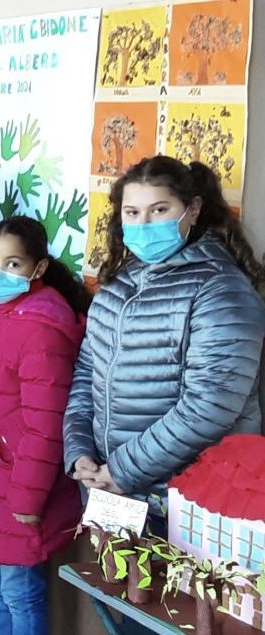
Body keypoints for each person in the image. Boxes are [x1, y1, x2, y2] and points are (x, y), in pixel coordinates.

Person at [64, 157, 265, 532]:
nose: (144, 224)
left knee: (168, 593)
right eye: (132, 212)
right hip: (109, 488)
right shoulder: (117, 285)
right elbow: (87, 373)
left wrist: (122, 471)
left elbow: (209, 406)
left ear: (192, 209)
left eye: (159, 210)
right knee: (108, 589)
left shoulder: (221, 291)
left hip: (183, 501)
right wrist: (79, 453)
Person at [0, 216, 89, 635]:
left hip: (17, 488)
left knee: (19, 592)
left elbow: (45, 426)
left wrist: (28, 497)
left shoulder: (40, 328)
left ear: (39, 268)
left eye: (12, 264)